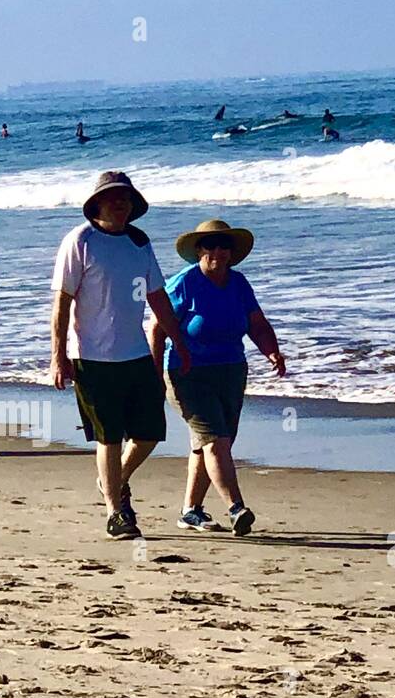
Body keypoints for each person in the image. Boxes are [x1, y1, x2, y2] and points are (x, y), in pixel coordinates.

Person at [50, 171, 192, 540]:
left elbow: (157, 296)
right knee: (109, 437)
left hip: (136, 355)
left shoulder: (139, 242)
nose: (120, 203)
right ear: (97, 203)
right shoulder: (80, 241)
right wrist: (58, 355)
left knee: (148, 434)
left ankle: (113, 480)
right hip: (92, 358)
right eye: (113, 197)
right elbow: (62, 302)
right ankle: (117, 512)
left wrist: (179, 340)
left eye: (126, 198)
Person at [150, 218, 285, 537]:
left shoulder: (239, 283)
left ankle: (190, 511)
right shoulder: (184, 283)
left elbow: (257, 324)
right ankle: (237, 507)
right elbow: (157, 329)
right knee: (215, 441)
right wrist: (155, 376)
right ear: (198, 250)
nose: (218, 251)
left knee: (212, 444)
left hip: (231, 371)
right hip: (187, 373)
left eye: (225, 245)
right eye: (210, 244)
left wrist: (272, 351)